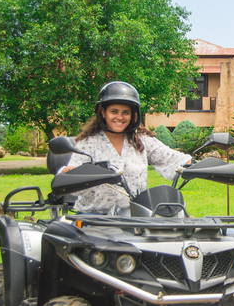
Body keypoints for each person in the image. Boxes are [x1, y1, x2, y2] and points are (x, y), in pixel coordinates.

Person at [58, 81, 191, 214]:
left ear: (133, 114)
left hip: (135, 216)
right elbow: (68, 182)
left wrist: (192, 164)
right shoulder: (88, 144)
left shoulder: (141, 139)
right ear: (103, 112)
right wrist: (67, 173)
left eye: (125, 112)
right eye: (114, 111)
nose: (120, 117)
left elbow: (170, 157)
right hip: (94, 218)